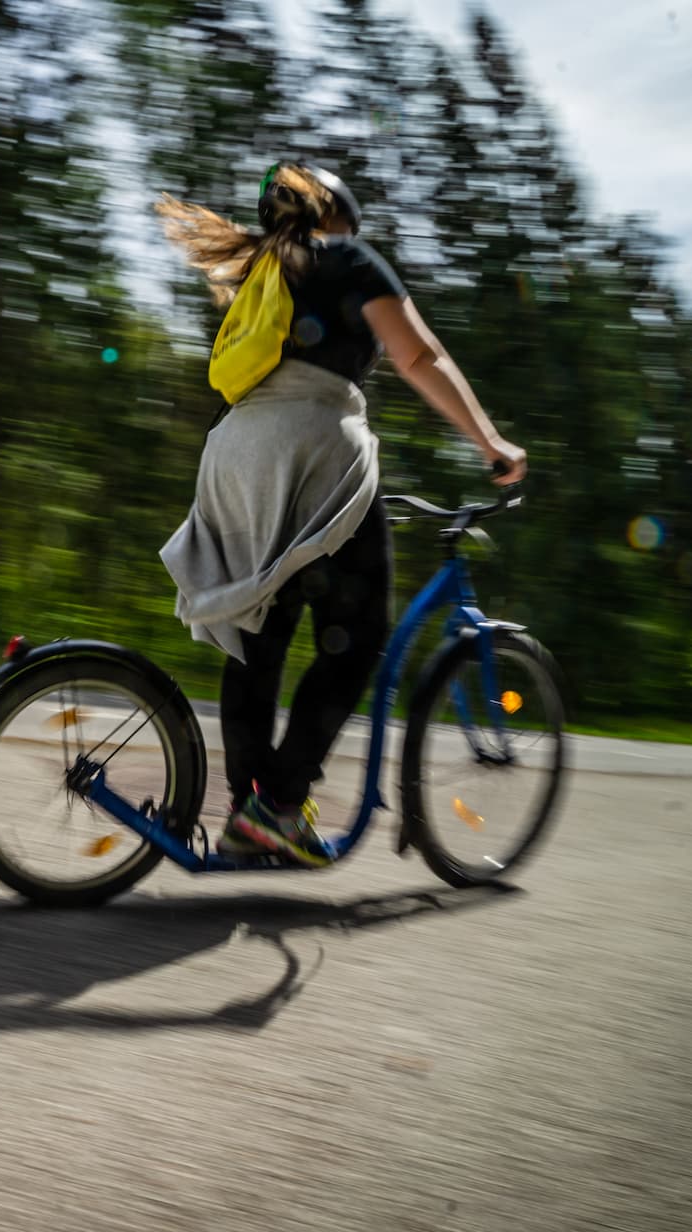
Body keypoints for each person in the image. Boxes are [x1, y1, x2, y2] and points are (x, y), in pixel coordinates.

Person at [156, 163, 526, 867]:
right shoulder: (346, 257)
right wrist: (490, 441)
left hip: (234, 454)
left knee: (254, 635)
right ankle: (281, 805)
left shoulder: (261, 273)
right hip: (315, 447)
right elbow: (418, 354)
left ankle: (253, 812)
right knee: (357, 638)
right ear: (338, 216)